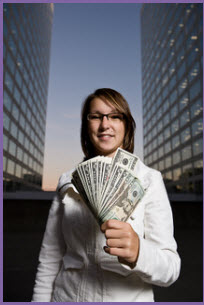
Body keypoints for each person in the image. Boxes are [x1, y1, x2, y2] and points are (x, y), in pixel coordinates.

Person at [32, 88, 181, 302]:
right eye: (95, 116)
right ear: (86, 126)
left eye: (115, 116)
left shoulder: (149, 180)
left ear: (126, 125)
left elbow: (170, 269)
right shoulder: (68, 181)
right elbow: (49, 258)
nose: (105, 124)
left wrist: (139, 252)